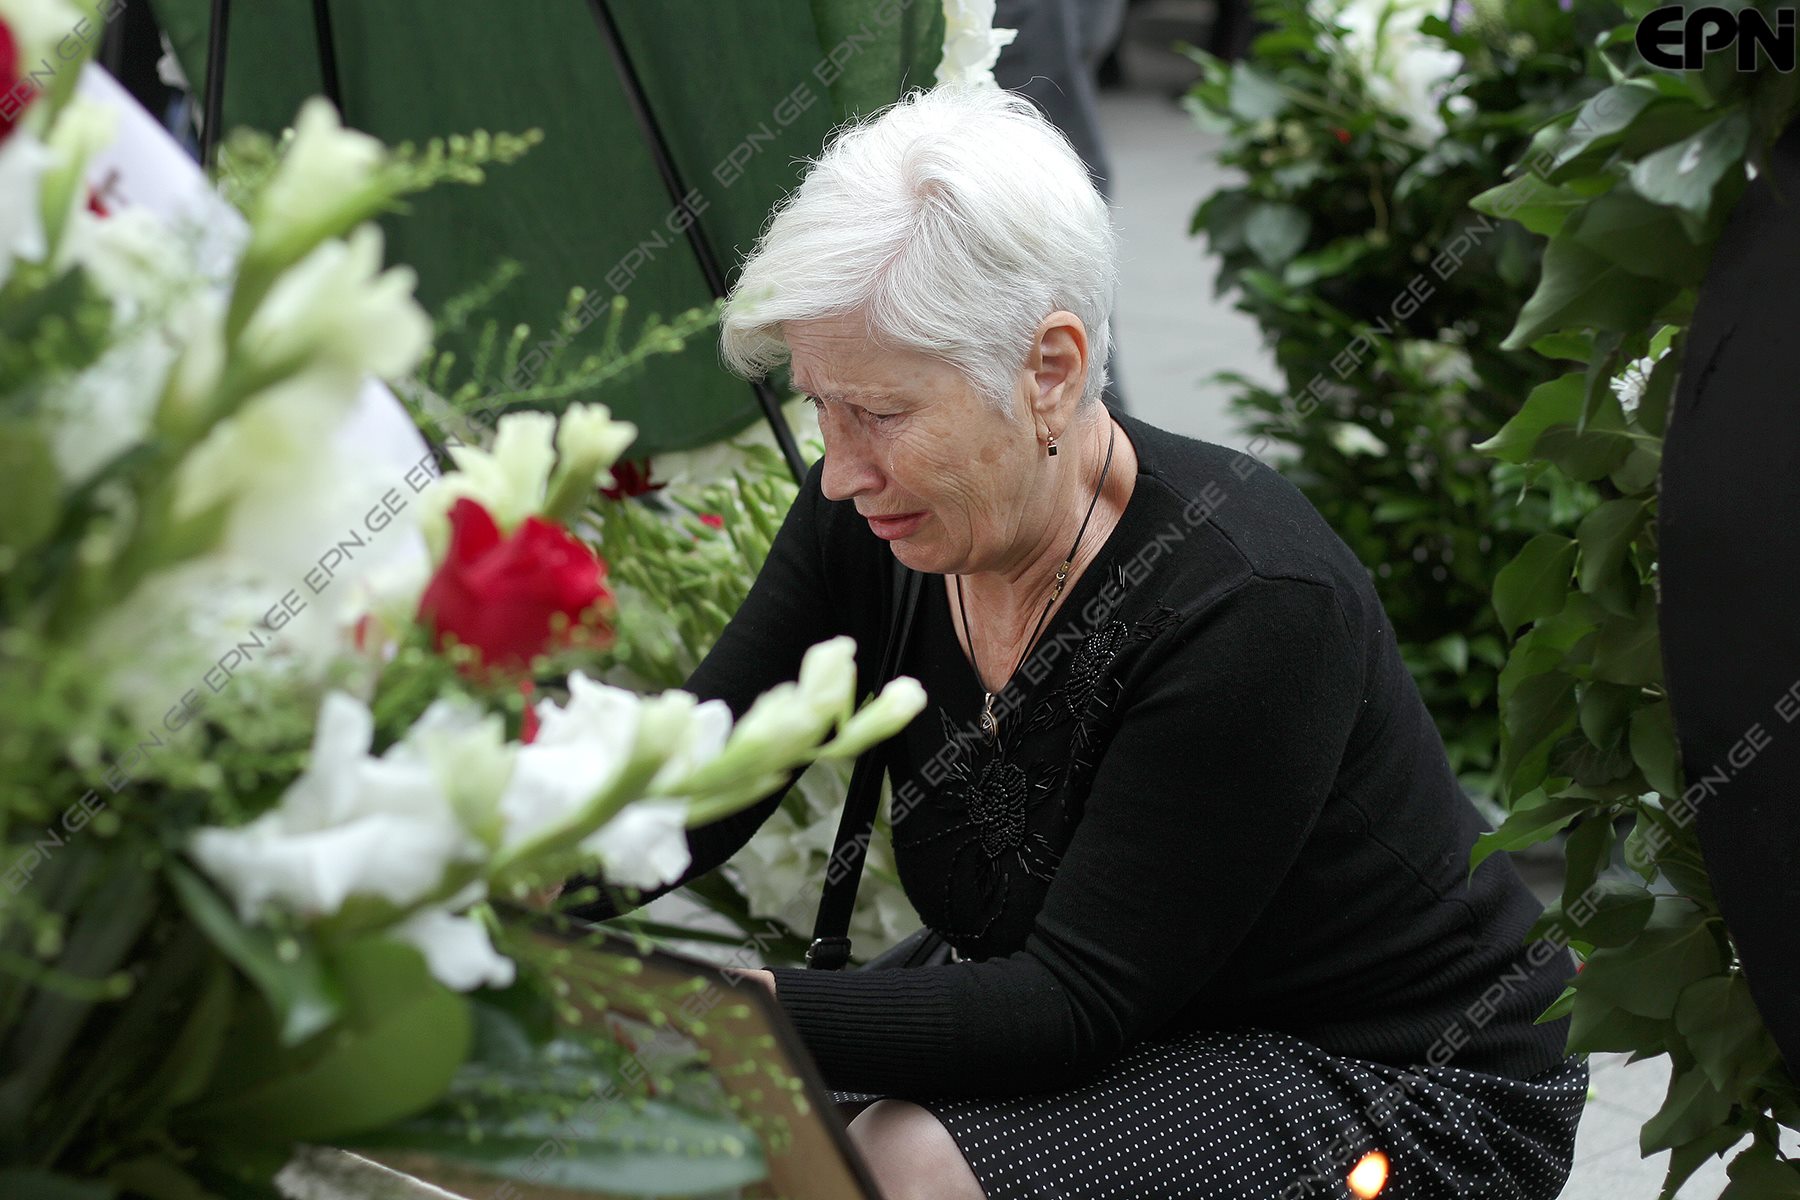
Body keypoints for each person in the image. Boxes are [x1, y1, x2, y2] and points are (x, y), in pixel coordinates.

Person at [564, 84, 1586, 1200]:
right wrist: (490, 869)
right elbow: (705, 775)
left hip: (1395, 1077)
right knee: (703, 1123)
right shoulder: (874, 517)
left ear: (1049, 369)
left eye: (882, 414)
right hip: (1133, 1012)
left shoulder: (1249, 601)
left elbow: (1069, 1005)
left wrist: (721, 1009)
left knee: (903, 1164)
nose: (842, 470)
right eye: (821, 407)